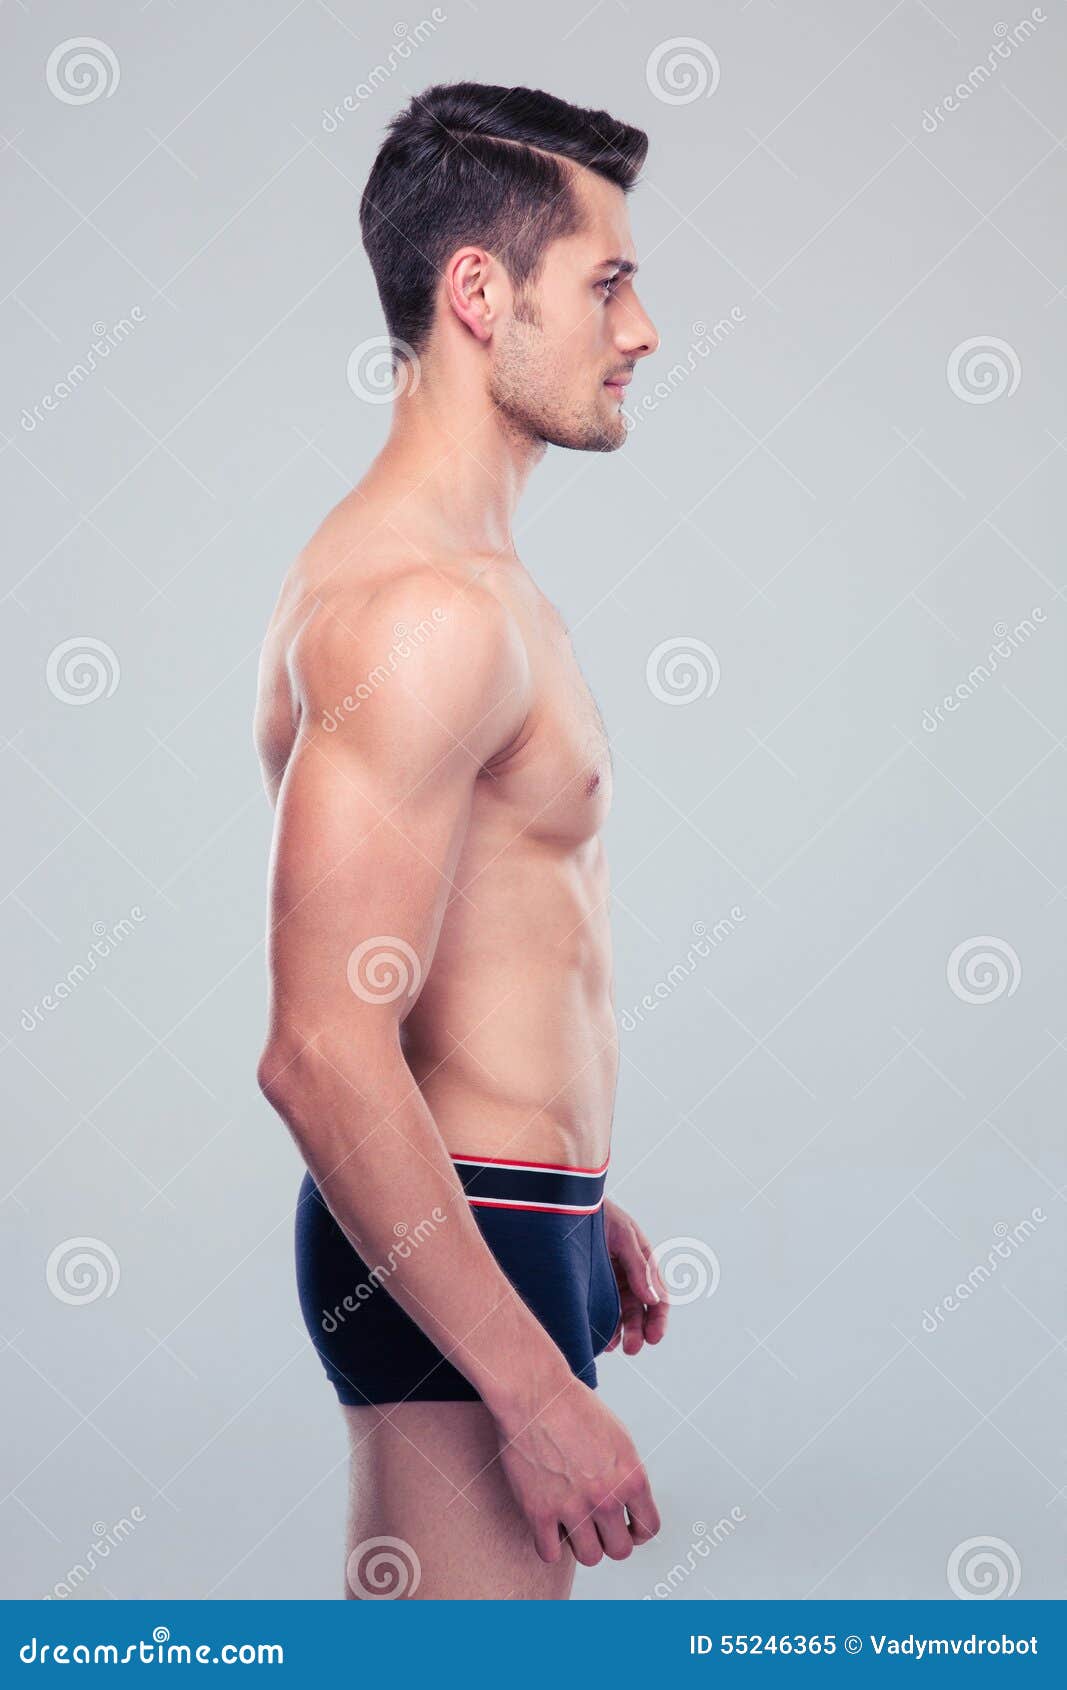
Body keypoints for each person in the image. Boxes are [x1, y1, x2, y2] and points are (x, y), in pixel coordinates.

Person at [255, 81, 668, 1600]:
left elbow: (449, 953)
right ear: (480, 294)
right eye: (610, 282)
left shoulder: (468, 583)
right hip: (459, 1245)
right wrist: (538, 1390)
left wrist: (568, 1179)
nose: (641, 330)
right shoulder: (417, 609)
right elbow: (318, 1045)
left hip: (505, 1212)